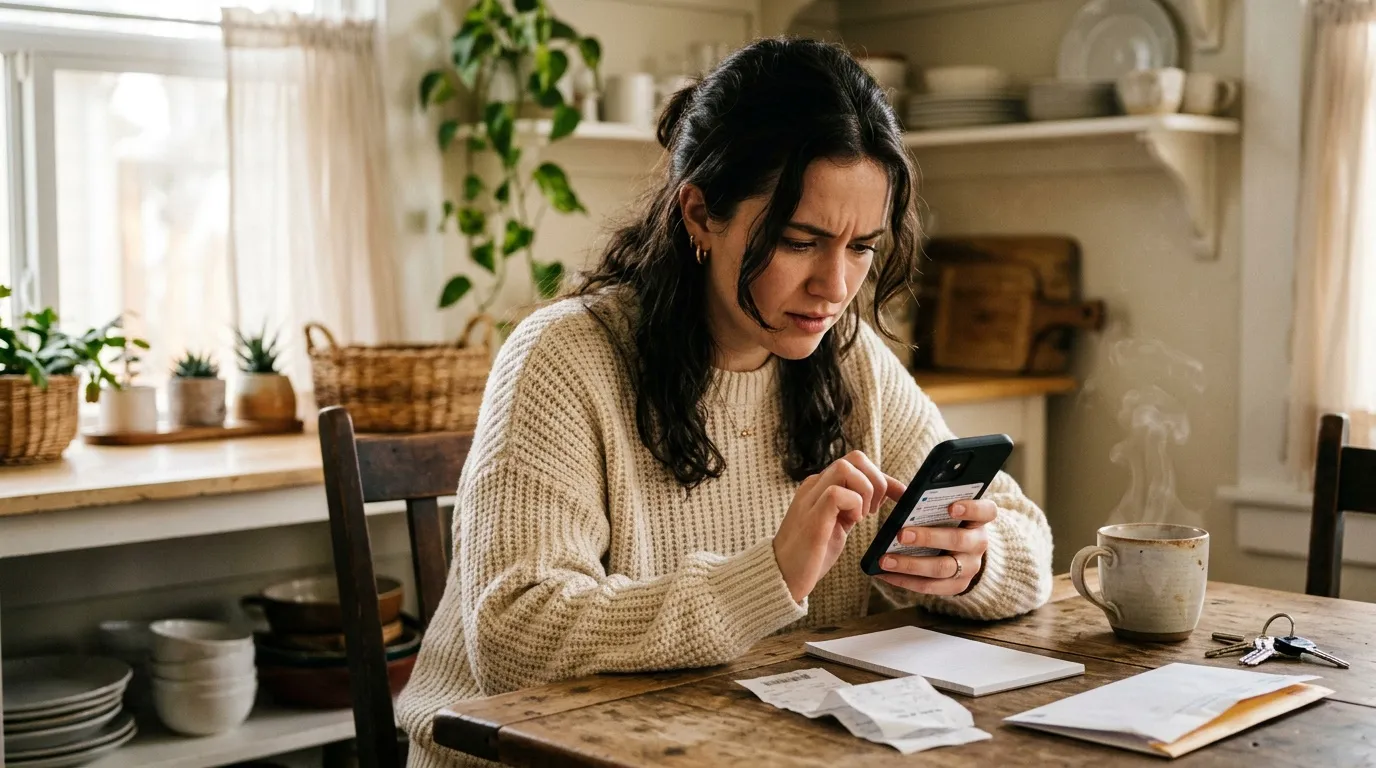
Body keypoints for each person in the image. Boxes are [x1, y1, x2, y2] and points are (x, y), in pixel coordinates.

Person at [396, 36, 1054, 767]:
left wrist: (969, 562)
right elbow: (515, 639)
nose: (836, 287)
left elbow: (1027, 541)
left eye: (863, 246)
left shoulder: (849, 358)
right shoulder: (563, 359)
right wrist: (765, 575)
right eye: (801, 241)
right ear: (701, 214)